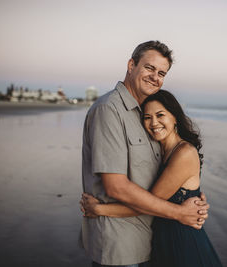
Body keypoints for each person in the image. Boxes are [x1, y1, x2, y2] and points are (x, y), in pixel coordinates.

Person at [81, 40, 209, 267]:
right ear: (132, 65)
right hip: (120, 245)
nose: (155, 77)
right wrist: (180, 212)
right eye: (149, 68)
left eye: (162, 73)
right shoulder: (109, 110)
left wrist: (192, 199)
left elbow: (161, 178)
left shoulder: (142, 113)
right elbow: (116, 187)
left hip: (149, 242)